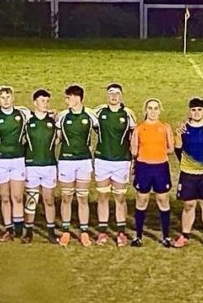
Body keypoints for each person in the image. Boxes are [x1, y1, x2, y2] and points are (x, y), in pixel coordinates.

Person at [174, 97, 203, 248]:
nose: (196, 112)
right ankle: (185, 235)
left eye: (199, 110)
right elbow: (178, 149)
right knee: (188, 205)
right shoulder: (183, 128)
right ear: (189, 111)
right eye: (193, 110)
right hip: (188, 173)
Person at [93, 84, 135, 247]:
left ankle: (121, 233)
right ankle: (102, 232)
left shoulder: (128, 114)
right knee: (102, 196)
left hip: (121, 161)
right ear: (107, 95)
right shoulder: (98, 112)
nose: (114, 96)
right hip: (102, 160)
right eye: (111, 93)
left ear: (121, 96)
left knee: (120, 197)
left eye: (117, 93)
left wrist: (134, 160)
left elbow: (133, 137)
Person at [56, 84, 97, 247]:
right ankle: (66, 231)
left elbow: (101, 133)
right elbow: (57, 138)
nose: (66, 100)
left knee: (82, 197)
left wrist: (93, 148)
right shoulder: (62, 116)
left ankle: (84, 232)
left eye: (69, 97)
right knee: (66, 197)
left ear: (77, 98)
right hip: (66, 161)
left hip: (84, 161)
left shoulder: (90, 115)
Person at [130, 98, 174, 248]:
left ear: (160, 110)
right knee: (142, 200)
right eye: (150, 108)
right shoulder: (139, 128)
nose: (153, 111)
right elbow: (134, 150)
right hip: (144, 168)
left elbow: (171, 149)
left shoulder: (165, 127)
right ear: (145, 110)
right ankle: (138, 236)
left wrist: (157, 154)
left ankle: (166, 236)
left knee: (163, 200)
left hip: (160, 167)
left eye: (156, 108)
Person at [0, 86, 29, 242]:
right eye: (2, 97)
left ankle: (19, 230)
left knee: (17, 196)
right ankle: (9, 229)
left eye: (8, 97)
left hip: (18, 159)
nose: (5, 100)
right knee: (5, 197)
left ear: (13, 98)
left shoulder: (22, 114)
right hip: (0, 161)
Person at [21, 89, 60, 244]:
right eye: (42, 101)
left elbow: (58, 140)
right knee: (31, 199)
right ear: (35, 103)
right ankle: (28, 231)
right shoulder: (27, 122)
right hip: (31, 165)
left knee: (49, 199)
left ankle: (51, 231)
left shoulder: (53, 122)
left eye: (47, 101)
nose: (45, 104)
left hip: (49, 165)